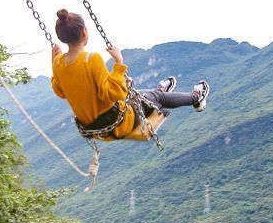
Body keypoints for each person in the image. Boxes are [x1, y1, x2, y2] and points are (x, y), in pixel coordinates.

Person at [50, 9, 210, 140]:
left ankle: (158, 94)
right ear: (84, 32)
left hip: (94, 129)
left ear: (61, 37)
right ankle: (197, 98)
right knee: (156, 98)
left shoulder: (58, 63)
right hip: (118, 123)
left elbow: (60, 92)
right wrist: (119, 63)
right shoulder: (91, 60)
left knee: (141, 95)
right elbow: (115, 93)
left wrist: (53, 62)